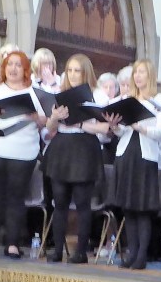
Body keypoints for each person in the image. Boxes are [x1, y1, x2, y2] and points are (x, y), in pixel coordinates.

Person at [0, 51, 46, 259]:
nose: (13, 69)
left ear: (25, 70)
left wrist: (36, 117)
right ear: (4, 68)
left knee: (16, 197)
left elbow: (45, 121)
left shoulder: (36, 93)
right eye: (10, 64)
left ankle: (12, 243)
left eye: (18, 65)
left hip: (23, 151)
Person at [43, 53, 111, 264]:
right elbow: (49, 129)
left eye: (77, 71)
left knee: (82, 203)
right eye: (69, 70)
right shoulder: (59, 94)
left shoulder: (98, 95)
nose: (72, 75)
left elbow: (105, 128)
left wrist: (80, 124)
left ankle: (80, 251)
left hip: (84, 148)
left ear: (86, 73)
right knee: (59, 202)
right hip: (62, 147)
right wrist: (55, 117)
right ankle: (57, 250)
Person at [106, 59, 161, 270]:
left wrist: (141, 127)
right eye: (136, 72)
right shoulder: (127, 99)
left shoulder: (158, 100)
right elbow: (122, 131)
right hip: (125, 154)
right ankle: (131, 252)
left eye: (142, 72)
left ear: (150, 75)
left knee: (142, 208)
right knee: (128, 208)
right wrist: (115, 126)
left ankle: (142, 255)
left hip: (145, 156)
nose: (138, 76)